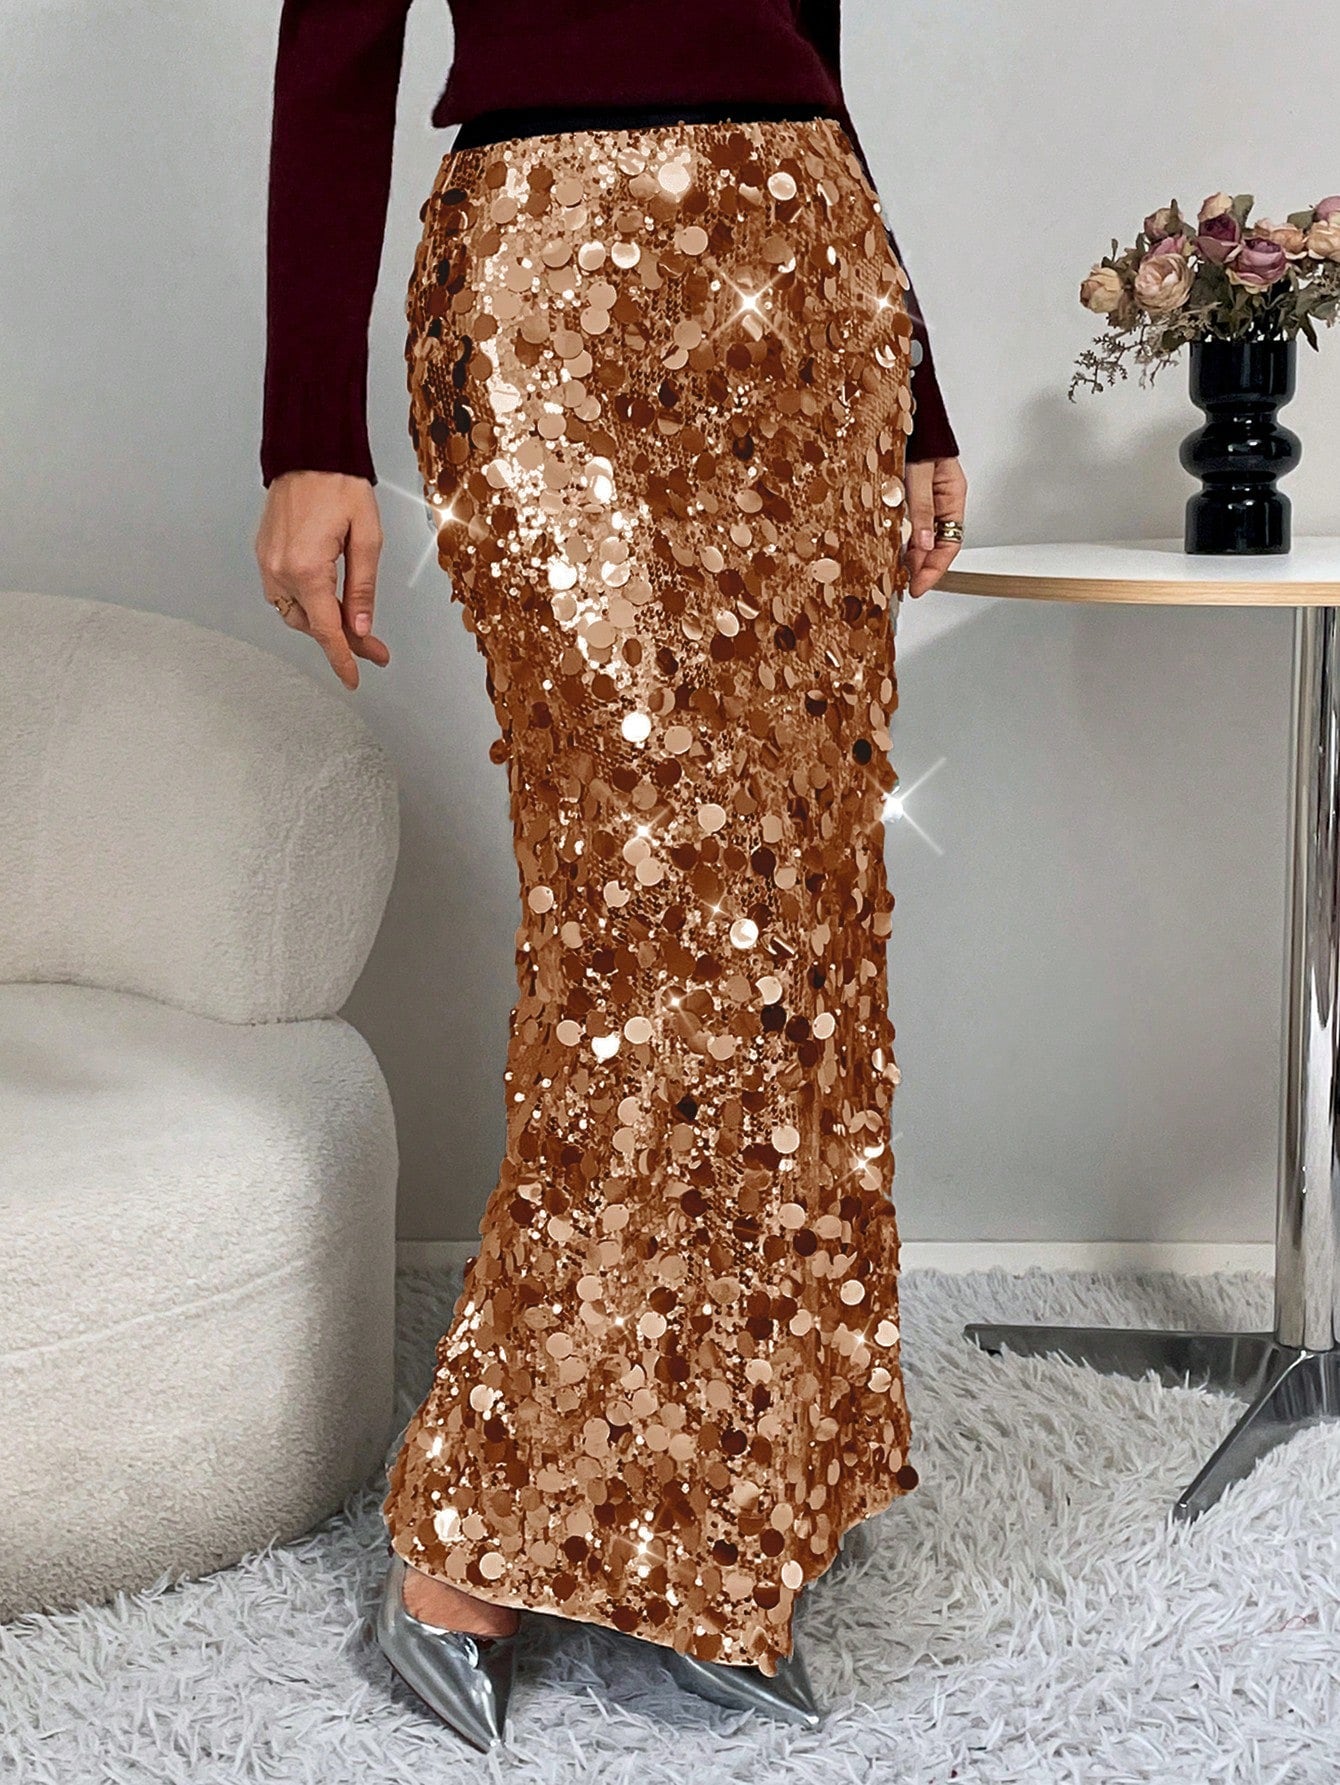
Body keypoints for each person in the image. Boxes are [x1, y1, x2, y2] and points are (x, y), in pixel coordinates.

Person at [255, 0, 968, 1753]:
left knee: (795, 920)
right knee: (645, 918)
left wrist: (918, 393)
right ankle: (477, 1523)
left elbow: (808, 41)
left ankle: (713, 1511)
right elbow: (335, 40)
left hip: (806, 270)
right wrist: (307, 433)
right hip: (551, 275)